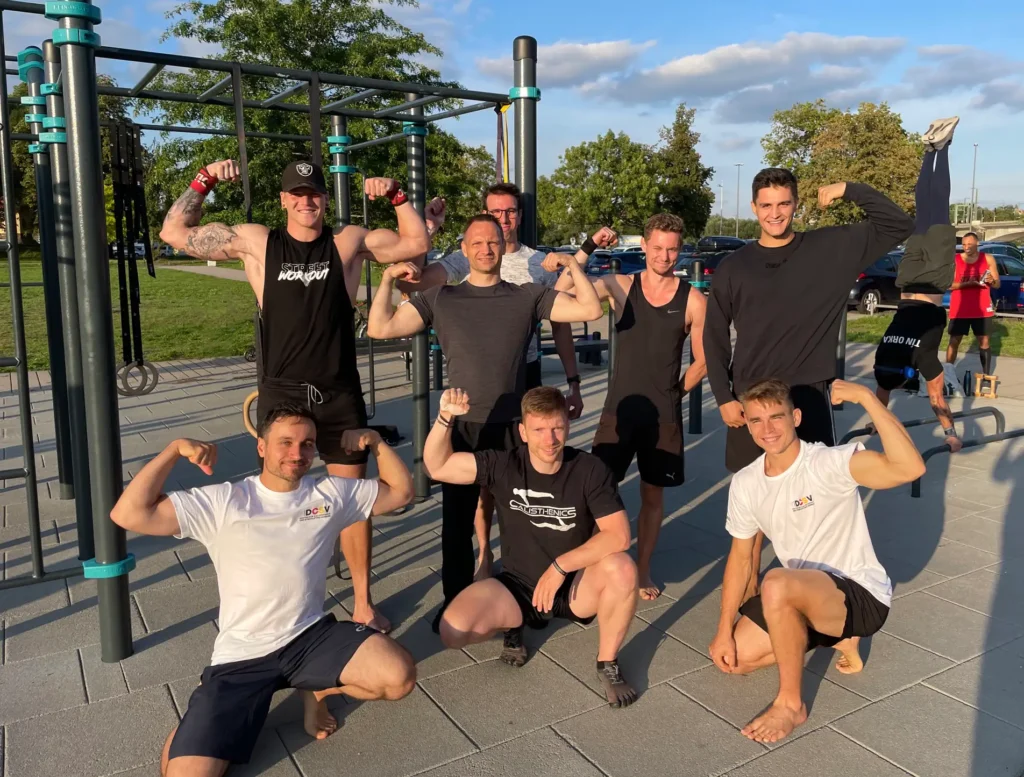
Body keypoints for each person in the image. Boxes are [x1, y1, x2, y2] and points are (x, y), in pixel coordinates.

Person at [160, 159, 434, 634]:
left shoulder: (346, 243)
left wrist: (396, 196)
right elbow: (174, 232)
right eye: (297, 194)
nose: (307, 202)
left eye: (315, 194)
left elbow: (416, 243)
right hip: (284, 396)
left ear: (324, 200)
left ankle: (363, 602)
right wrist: (204, 178)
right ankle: (286, 605)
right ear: (284, 200)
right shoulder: (257, 241)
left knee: (355, 500)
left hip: (338, 391)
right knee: (282, 499)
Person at [108, 403, 417, 776]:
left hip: (309, 637)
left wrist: (376, 443)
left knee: (399, 678)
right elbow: (128, 514)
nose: (296, 453)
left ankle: (315, 691)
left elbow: (401, 493)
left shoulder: (330, 493)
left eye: (307, 444)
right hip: (241, 659)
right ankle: (199, 726)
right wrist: (173, 450)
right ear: (261, 447)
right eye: (285, 442)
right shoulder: (224, 501)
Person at [366, 214, 604, 630]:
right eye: (476, 243)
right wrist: (386, 282)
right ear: (464, 248)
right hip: (462, 425)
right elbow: (380, 326)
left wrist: (571, 266)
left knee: (519, 520)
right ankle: (456, 601)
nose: (485, 249)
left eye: (492, 242)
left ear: (502, 244)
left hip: (512, 427)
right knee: (457, 521)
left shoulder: (527, 296)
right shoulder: (441, 298)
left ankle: (523, 606)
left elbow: (589, 308)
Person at [704, 169, 914, 598]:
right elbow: (712, 334)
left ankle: (819, 600)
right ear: (753, 208)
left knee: (821, 508)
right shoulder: (733, 267)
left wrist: (849, 188)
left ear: (795, 205)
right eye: (766, 205)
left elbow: (899, 224)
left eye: (784, 204)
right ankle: (747, 601)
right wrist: (724, 397)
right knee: (755, 513)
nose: (775, 213)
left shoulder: (831, 248)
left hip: (808, 398)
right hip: (752, 403)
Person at [398, 185, 616, 580]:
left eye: (510, 212)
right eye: (495, 212)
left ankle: (523, 577)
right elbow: (414, 280)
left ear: (518, 216)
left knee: (518, 496)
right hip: (471, 394)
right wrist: (427, 228)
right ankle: (479, 563)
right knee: (468, 496)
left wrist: (573, 381)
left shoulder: (536, 264)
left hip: (522, 380)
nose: (502, 220)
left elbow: (566, 314)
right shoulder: (463, 260)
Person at [708, 379, 925, 744]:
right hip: (801, 595)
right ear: (746, 424)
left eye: (776, 418)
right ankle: (837, 638)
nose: (768, 429)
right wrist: (722, 630)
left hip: (859, 595)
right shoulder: (746, 482)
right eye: (757, 421)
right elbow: (741, 558)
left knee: (776, 581)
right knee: (736, 660)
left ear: (795, 417)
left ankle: (791, 704)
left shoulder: (828, 463)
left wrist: (867, 398)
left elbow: (909, 469)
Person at [425, 386, 639, 708]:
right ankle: (513, 625)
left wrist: (560, 566)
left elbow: (619, 535)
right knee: (451, 632)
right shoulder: (502, 464)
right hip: (518, 585)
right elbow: (437, 466)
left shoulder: (590, 470)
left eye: (556, 427)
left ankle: (607, 663)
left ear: (567, 424)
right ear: (523, 431)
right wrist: (444, 418)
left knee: (622, 568)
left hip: (574, 586)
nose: (549, 439)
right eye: (539, 429)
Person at [553, 213, 707, 600]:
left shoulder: (694, 299)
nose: (664, 255)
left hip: (664, 417)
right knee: (595, 490)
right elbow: (561, 293)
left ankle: (642, 568)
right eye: (657, 247)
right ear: (644, 245)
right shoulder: (620, 285)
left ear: (681, 249)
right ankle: (585, 564)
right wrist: (584, 250)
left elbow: (703, 360)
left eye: (672, 248)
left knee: (653, 496)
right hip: (618, 411)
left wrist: (675, 393)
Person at [873, 117, 962, 450]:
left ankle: (944, 146)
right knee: (925, 209)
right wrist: (873, 422)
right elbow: (879, 400)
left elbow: (937, 398)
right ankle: (931, 149)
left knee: (937, 208)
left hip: (933, 283)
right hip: (907, 280)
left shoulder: (921, 358)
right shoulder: (884, 362)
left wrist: (950, 434)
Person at [946, 231, 1000, 375]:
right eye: (964, 244)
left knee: (984, 342)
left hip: (982, 308)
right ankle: (948, 375)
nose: (966, 247)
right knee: (954, 341)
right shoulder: (955, 259)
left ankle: (987, 377)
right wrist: (968, 284)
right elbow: (948, 285)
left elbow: (997, 284)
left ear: (977, 244)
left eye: (970, 244)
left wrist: (991, 281)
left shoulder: (987, 259)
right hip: (960, 308)